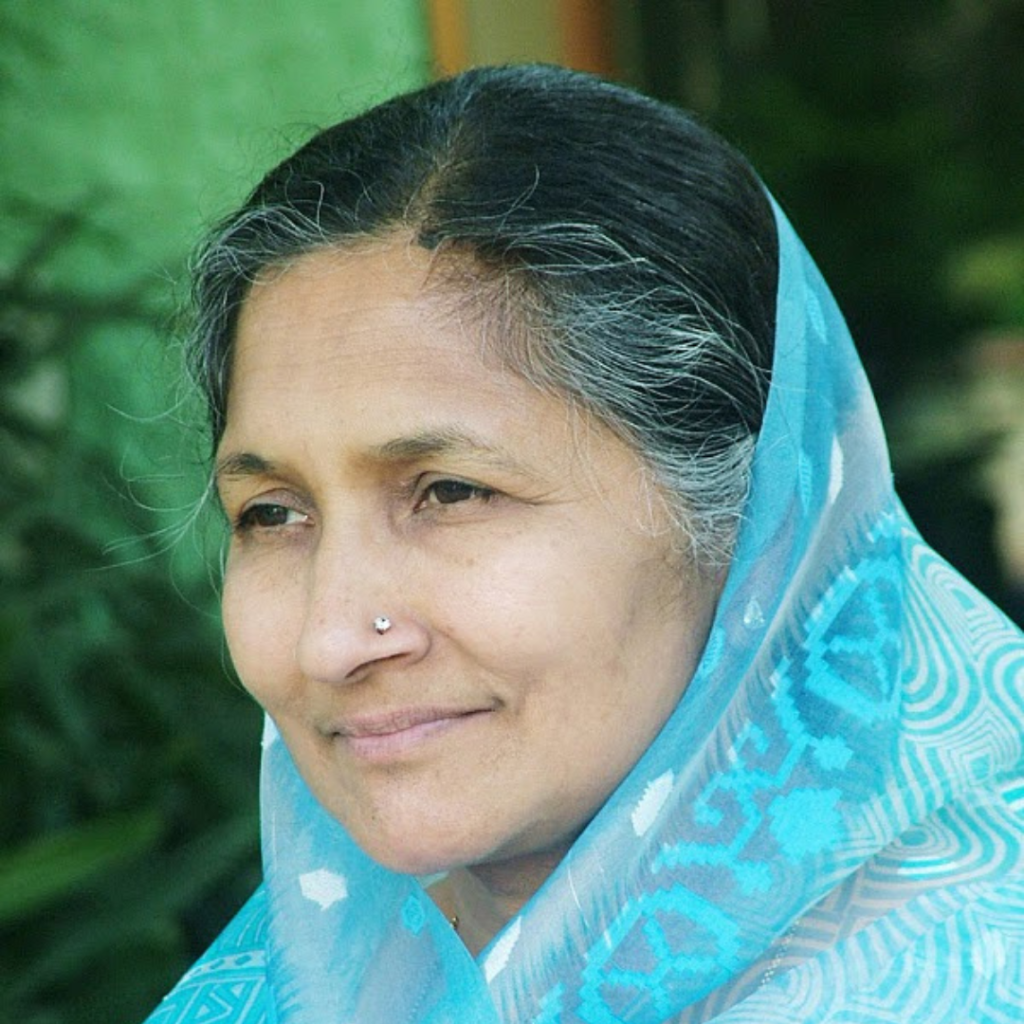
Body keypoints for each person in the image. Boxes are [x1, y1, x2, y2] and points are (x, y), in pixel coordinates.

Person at [144, 65, 1024, 1024]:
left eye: (452, 492)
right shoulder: (315, 990)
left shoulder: (959, 986)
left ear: (752, 526)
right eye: (273, 514)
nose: (331, 639)